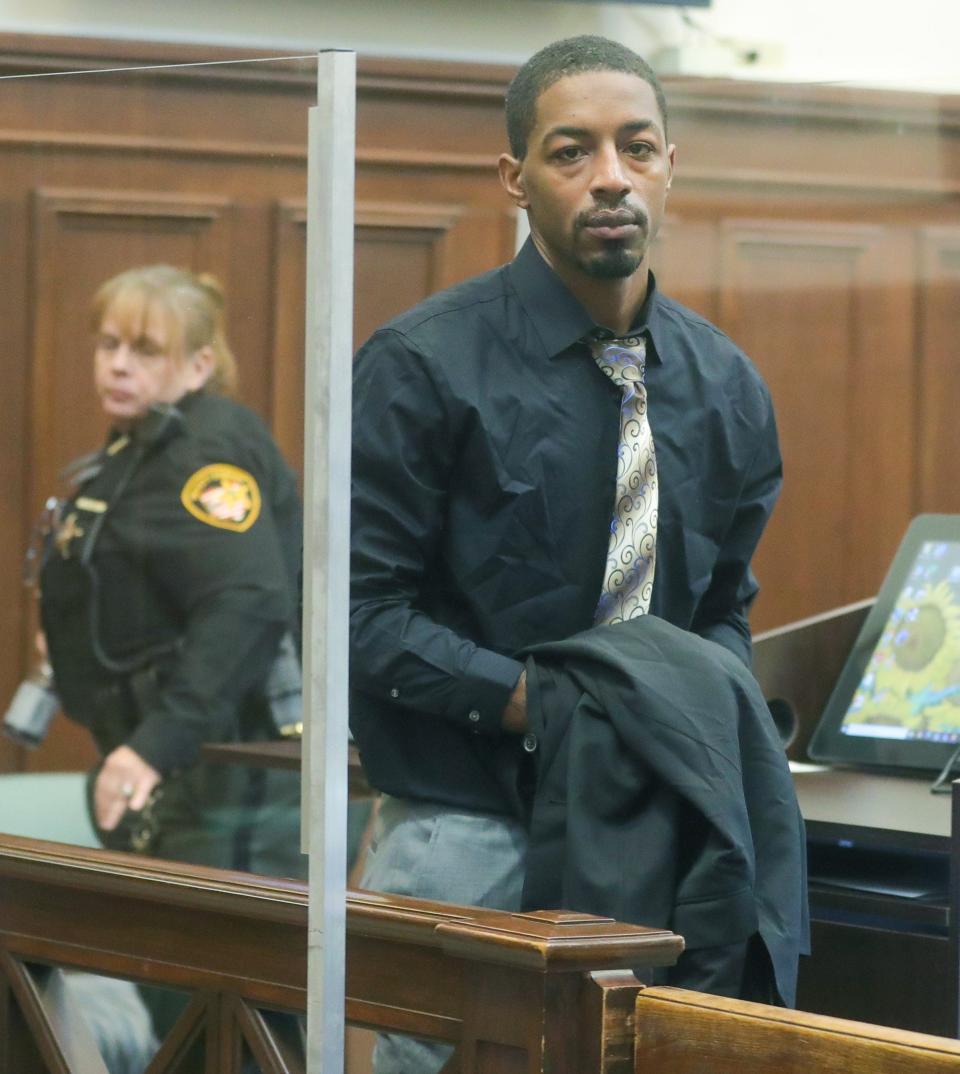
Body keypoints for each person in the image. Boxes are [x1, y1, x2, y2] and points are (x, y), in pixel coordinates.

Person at [350, 35, 806, 1071]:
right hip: (475, 827)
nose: (610, 177)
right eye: (571, 152)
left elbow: (723, 605)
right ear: (515, 177)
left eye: (635, 148)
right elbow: (359, 623)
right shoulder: (423, 366)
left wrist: (701, 710)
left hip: (663, 830)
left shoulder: (725, 384)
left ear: (669, 166)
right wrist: (561, 711)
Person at [38, 264, 305, 880]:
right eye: (109, 344)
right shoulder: (143, 442)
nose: (119, 365)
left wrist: (152, 748)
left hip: (229, 774)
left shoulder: (203, 450)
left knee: (219, 970)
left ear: (198, 366)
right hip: (186, 765)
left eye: (146, 350)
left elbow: (247, 603)